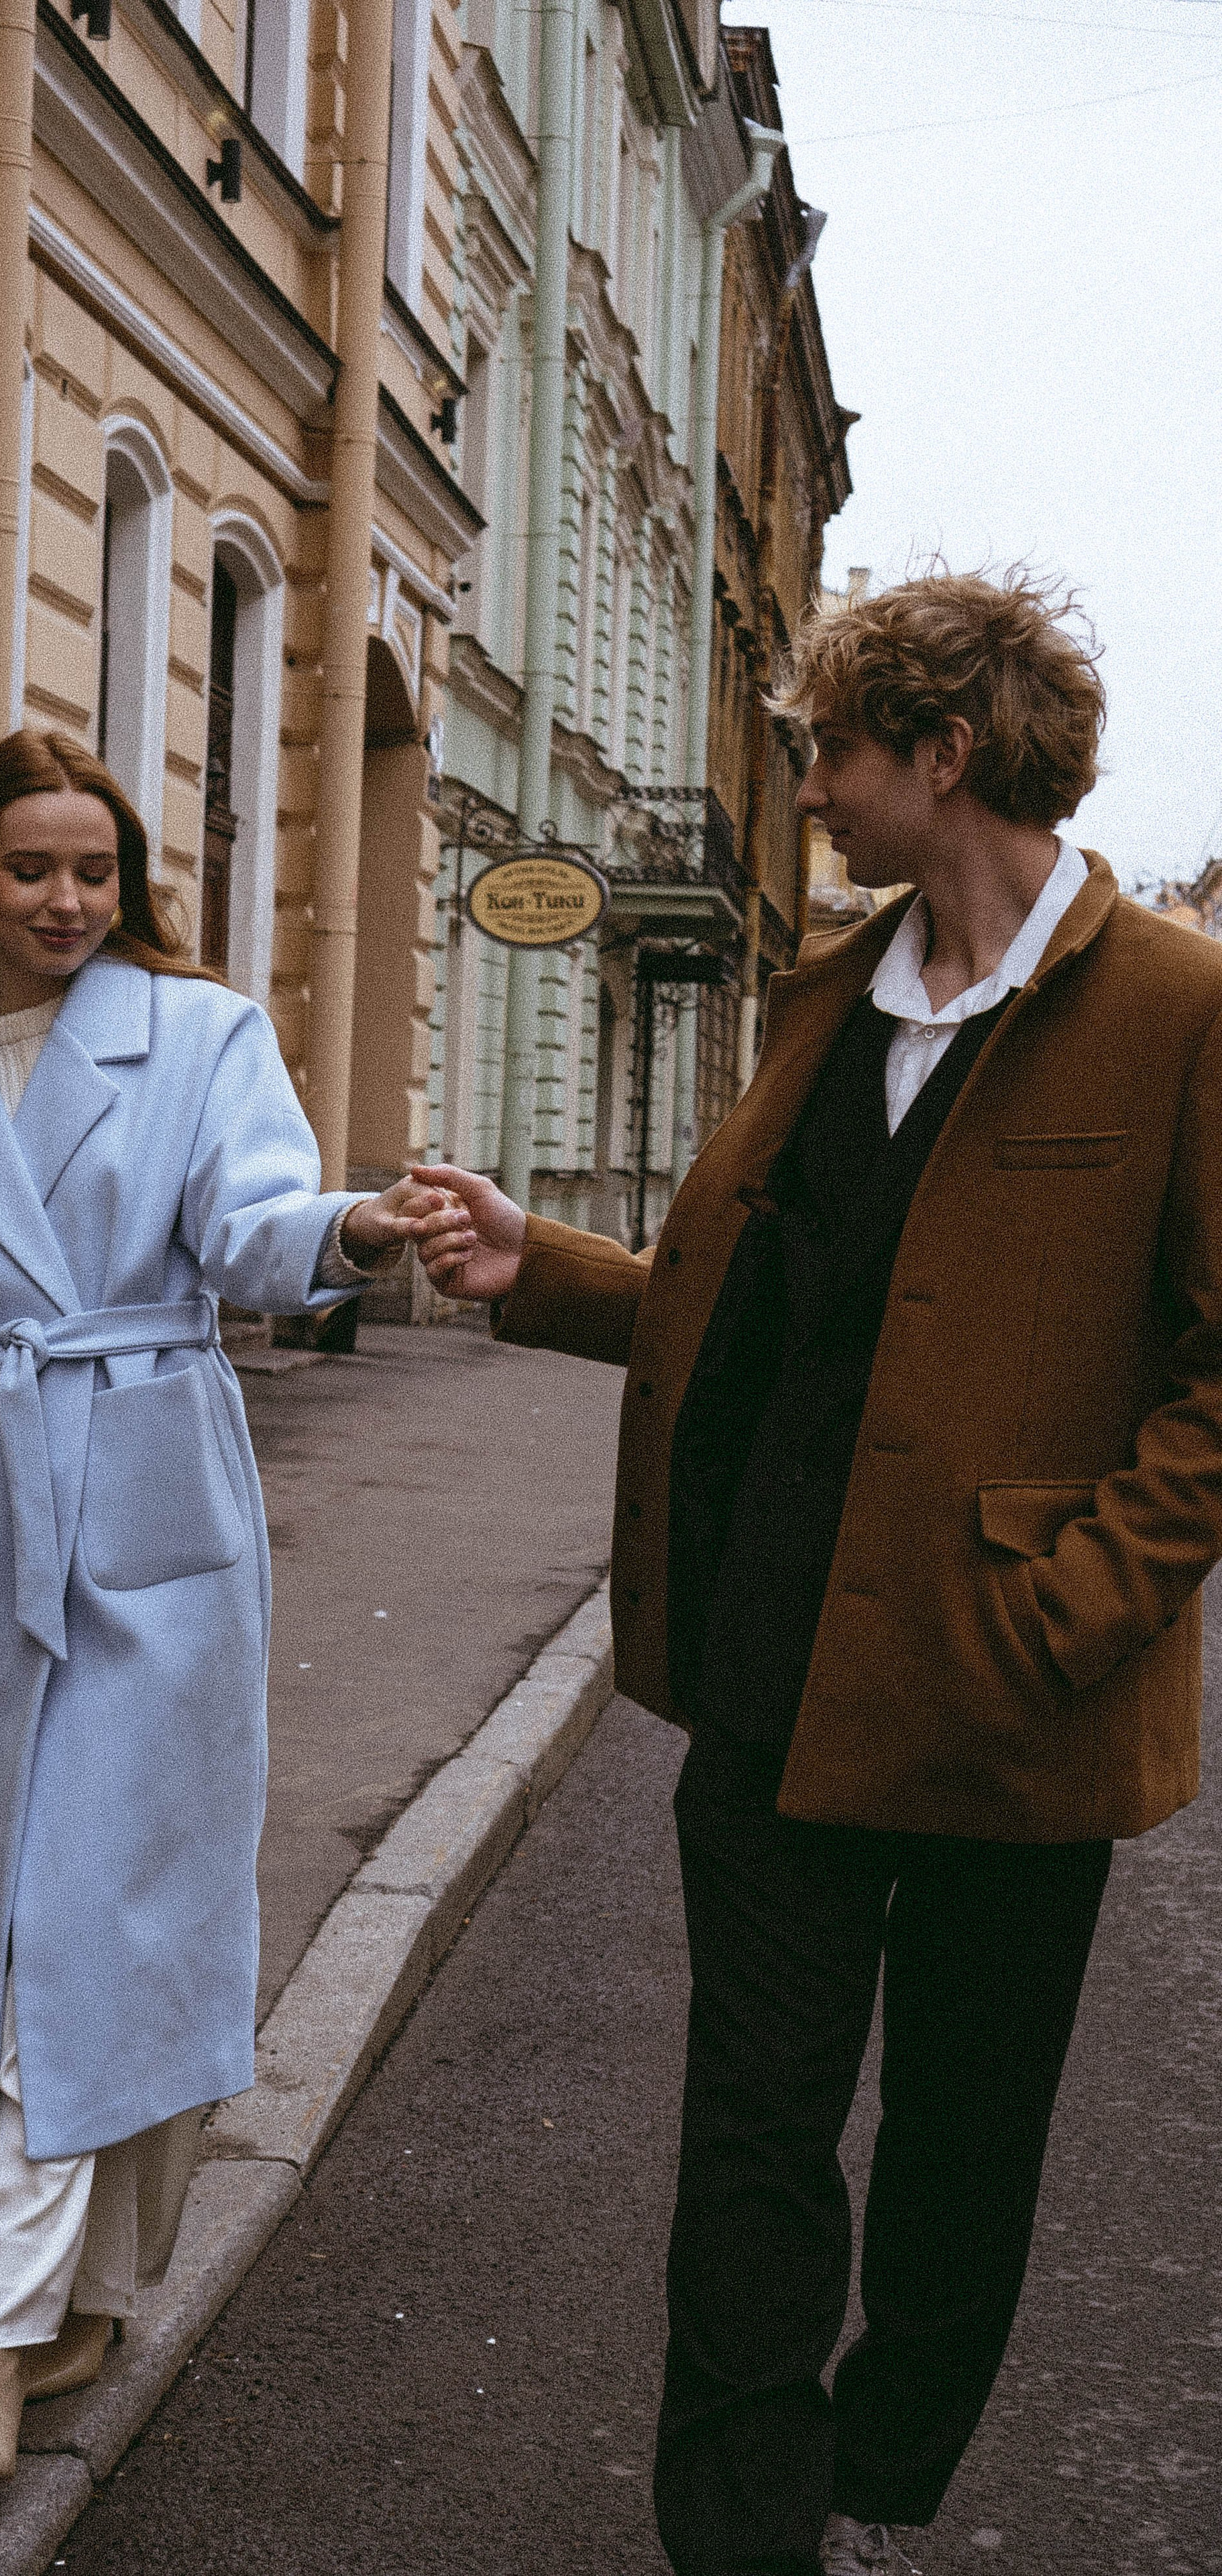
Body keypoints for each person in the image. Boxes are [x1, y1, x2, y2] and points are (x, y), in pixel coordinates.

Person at [411, 573, 1222, 2576]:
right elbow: (772, 1307)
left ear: (943, 756)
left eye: (829, 754)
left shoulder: (1180, 1011)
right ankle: (748, 2537)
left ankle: (882, 2472)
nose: (809, 797)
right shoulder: (825, 994)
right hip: (772, 1670)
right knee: (754, 2146)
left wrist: (1081, 1603)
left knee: (958, 2160)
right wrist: (559, 1273)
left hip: (1007, 1701)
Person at [0, 729, 438, 2481]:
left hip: (145, 1528)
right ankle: (76, 2287)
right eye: (33, 870)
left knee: (79, 1937)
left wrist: (355, 1224)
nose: (69, 899)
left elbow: (247, 1229)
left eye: (97, 870)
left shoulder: (202, 1038)